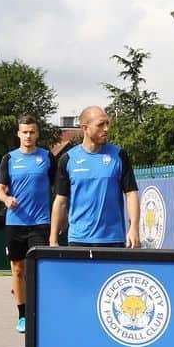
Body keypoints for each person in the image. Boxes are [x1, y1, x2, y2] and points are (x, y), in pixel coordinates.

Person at [0, 115, 56, 333]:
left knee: (38, 269)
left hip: (41, 223)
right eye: (24, 132)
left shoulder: (47, 157)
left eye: (32, 132)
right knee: (18, 269)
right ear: (18, 134)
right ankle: (22, 315)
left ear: (37, 134)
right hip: (15, 223)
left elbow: (59, 189)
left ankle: (39, 311)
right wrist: (6, 199)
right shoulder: (9, 159)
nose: (28, 136)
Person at [50, 106, 140, 248]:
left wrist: (134, 228)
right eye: (100, 125)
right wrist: (53, 239)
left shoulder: (119, 156)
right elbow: (61, 201)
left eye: (107, 124)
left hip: (113, 239)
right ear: (85, 128)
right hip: (79, 240)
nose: (106, 129)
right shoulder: (68, 159)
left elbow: (131, 194)